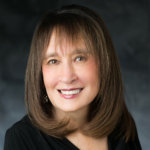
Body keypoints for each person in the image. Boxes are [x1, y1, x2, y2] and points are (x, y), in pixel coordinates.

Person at [4, 4, 142, 150]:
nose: (67, 77)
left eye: (79, 58)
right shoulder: (21, 139)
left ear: (104, 63)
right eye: (53, 61)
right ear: (39, 73)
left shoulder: (122, 127)